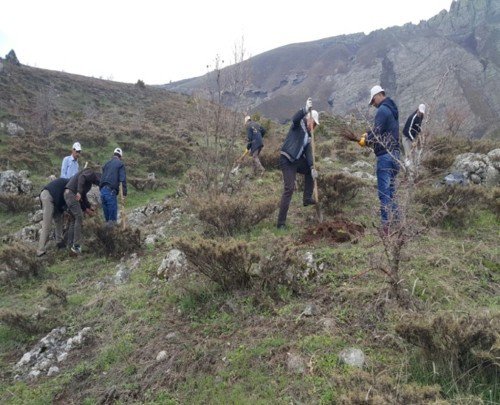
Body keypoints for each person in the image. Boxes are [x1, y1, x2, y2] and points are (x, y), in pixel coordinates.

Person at [344, 86, 400, 232]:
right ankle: (397, 223)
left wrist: (365, 140)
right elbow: (381, 130)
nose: (373, 104)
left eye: (373, 100)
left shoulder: (382, 110)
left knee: (384, 192)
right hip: (395, 155)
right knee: (392, 191)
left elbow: (377, 132)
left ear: (379, 95)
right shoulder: (392, 110)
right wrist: (367, 134)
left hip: (385, 156)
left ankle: (386, 226)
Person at [277, 97, 319, 229]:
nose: (315, 126)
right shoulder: (299, 124)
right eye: (314, 123)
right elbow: (294, 119)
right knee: (289, 189)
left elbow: (308, 153)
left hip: (297, 160)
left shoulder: (309, 136)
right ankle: (281, 224)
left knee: (309, 172)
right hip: (287, 158)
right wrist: (304, 109)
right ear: (309, 119)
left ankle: (307, 198)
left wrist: (312, 167)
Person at [64, 168, 100, 254]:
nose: (97, 185)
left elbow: (82, 197)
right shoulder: (91, 173)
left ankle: (69, 246)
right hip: (71, 194)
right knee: (79, 217)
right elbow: (82, 177)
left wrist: (88, 207)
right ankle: (76, 246)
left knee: (74, 219)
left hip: (68, 194)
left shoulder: (88, 183)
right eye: (98, 183)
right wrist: (79, 192)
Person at [36, 177, 70, 257]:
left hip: (55, 199)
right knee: (47, 223)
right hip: (47, 196)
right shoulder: (69, 185)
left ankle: (59, 242)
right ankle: (40, 250)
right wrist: (66, 209)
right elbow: (64, 199)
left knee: (59, 219)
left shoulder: (68, 183)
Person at [100, 147, 127, 224]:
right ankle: (112, 234)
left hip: (102, 192)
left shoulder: (106, 164)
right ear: (120, 157)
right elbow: (122, 179)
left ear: (114, 155)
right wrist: (124, 194)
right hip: (111, 192)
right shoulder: (120, 164)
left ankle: (106, 235)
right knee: (112, 221)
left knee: (107, 220)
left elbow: (101, 177)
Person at [402, 104, 425, 170]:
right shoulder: (413, 117)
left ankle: (414, 170)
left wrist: (420, 134)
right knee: (409, 154)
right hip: (406, 137)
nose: (421, 113)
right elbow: (408, 130)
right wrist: (413, 140)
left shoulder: (421, 116)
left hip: (414, 137)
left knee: (416, 153)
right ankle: (409, 172)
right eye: (420, 112)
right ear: (418, 109)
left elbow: (418, 127)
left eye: (422, 112)